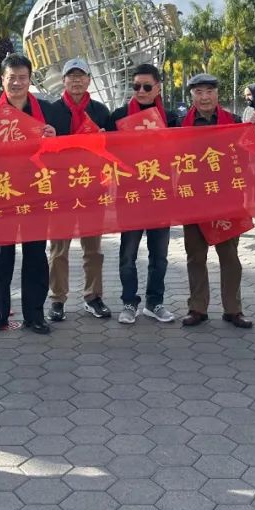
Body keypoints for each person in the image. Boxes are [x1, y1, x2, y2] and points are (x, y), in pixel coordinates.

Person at [0, 54, 57, 335]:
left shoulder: (45, 109)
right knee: (1, 255)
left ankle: (34, 315)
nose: (17, 83)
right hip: (1, 190)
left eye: (23, 77)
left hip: (35, 190)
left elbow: (65, 150)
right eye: (12, 77)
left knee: (35, 253)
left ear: (30, 80)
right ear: (2, 79)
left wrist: (53, 136)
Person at [179, 73, 252, 329]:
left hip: (227, 199)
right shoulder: (180, 124)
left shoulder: (232, 122)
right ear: (192, 96)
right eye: (199, 92)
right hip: (193, 199)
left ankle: (233, 309)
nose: (204, 96)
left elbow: (247, 158)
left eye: (209, 91)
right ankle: (197, 308)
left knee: (229, 257)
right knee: (195, 256)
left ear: (217, 94)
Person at [107, 63, 178, 324]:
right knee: (128, 255)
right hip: (130, 197)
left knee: (158, 256)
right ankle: (129, 303)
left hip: (161, 196)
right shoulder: (117, 116)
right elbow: (100, 149)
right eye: (136, 86)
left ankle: (154, 302)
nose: (141, 91)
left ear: (158, 87)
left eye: (147, 86)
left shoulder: (171, 118)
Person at [46, 58, 112, 321]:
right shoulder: (51, 112)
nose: (76, 80)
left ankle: (93, 297)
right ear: (63, 81)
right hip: (60, 191)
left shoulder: (100, 111)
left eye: (81, 75)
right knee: (58, 250)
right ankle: (57, 300)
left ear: (88, 79)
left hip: (92, 190)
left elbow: (115, 150)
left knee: (93, 250)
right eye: (71, 76)